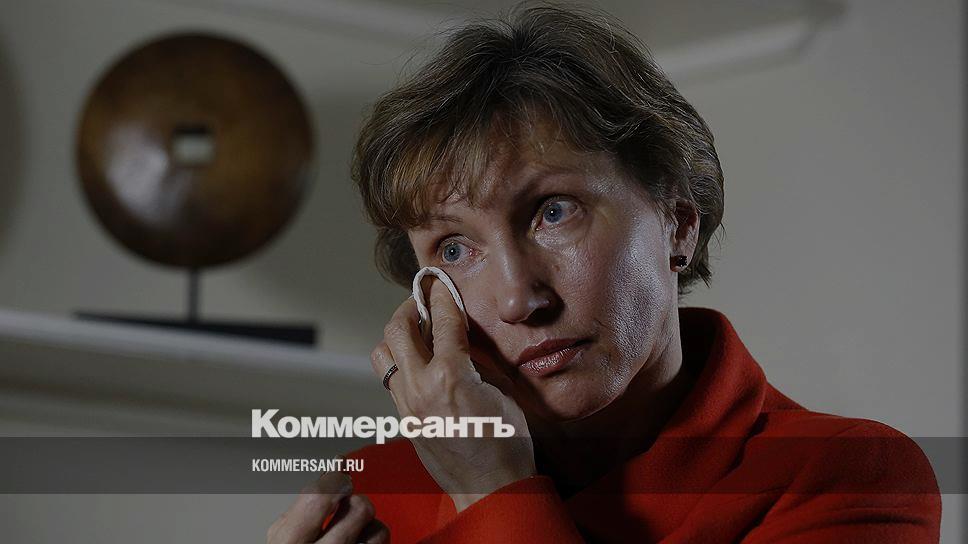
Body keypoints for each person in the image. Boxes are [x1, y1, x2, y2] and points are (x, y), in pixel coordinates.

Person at [267, 5, 941, 543]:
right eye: (454, 249)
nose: (518, 298)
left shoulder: (847, 474)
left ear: (679, 223)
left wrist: (493, 493)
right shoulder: (374, 491)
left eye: (554, 212)